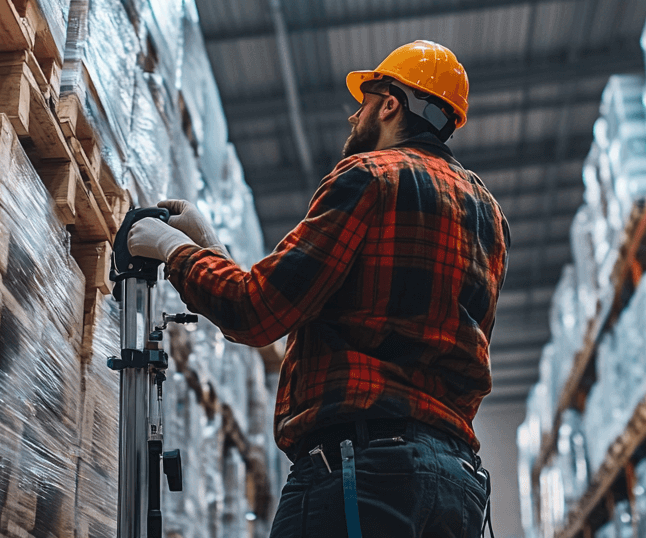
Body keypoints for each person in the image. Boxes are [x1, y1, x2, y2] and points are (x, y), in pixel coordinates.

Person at [126, 40, 509, 538]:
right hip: (457, 487)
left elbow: (255, 313)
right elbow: (335, 318)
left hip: (363, 473)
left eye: (365, 101)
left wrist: (174, 252)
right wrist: (214, 250)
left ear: (390, 104)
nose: (355, 116)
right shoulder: (490, 217)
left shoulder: (369, 177)